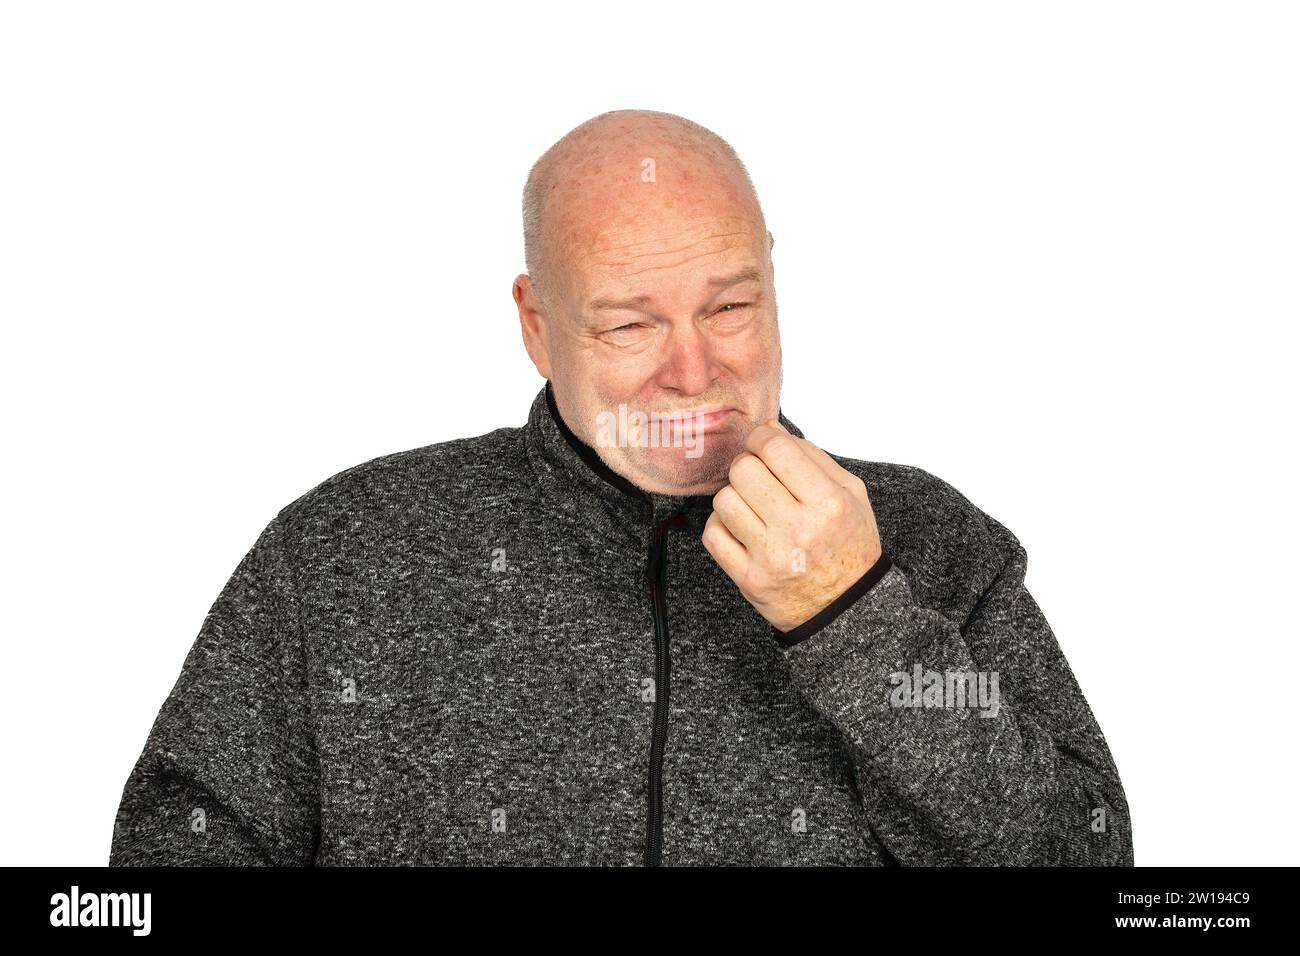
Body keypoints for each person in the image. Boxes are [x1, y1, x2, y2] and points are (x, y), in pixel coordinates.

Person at [110, 109, 1132, 866]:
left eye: (729, 305)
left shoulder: (928, 540)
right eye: (629, 324)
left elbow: (1086, 859)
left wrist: (856, 621)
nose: (692, 372)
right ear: (536, 325)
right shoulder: (341, 552)